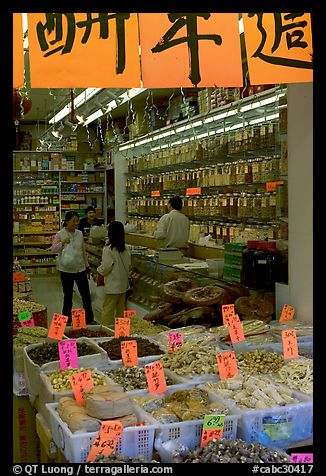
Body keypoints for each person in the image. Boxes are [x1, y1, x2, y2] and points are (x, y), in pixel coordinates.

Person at [50, 211, 94, 324]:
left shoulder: (79, 234)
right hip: (66, 270)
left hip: (80, 268)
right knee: (68, 296)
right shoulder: (60, 234)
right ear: (67, 221)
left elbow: (82, 251)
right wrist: (62, 243)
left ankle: (89, 319)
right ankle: (67, 319)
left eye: (77, 221)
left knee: (85, 295)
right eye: (73, 221)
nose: (75, 223)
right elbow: (53, 249)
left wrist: (87, 265)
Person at [97, 221, 131, 326]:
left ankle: (106, 332)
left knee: (108, 311)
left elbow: (106, 267)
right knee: (121, 311)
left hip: (112, 285)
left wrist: (99, 270)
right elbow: (129, 264)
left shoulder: (108, 249)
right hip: (123, 285)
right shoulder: (126, 248)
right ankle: (122, 333)